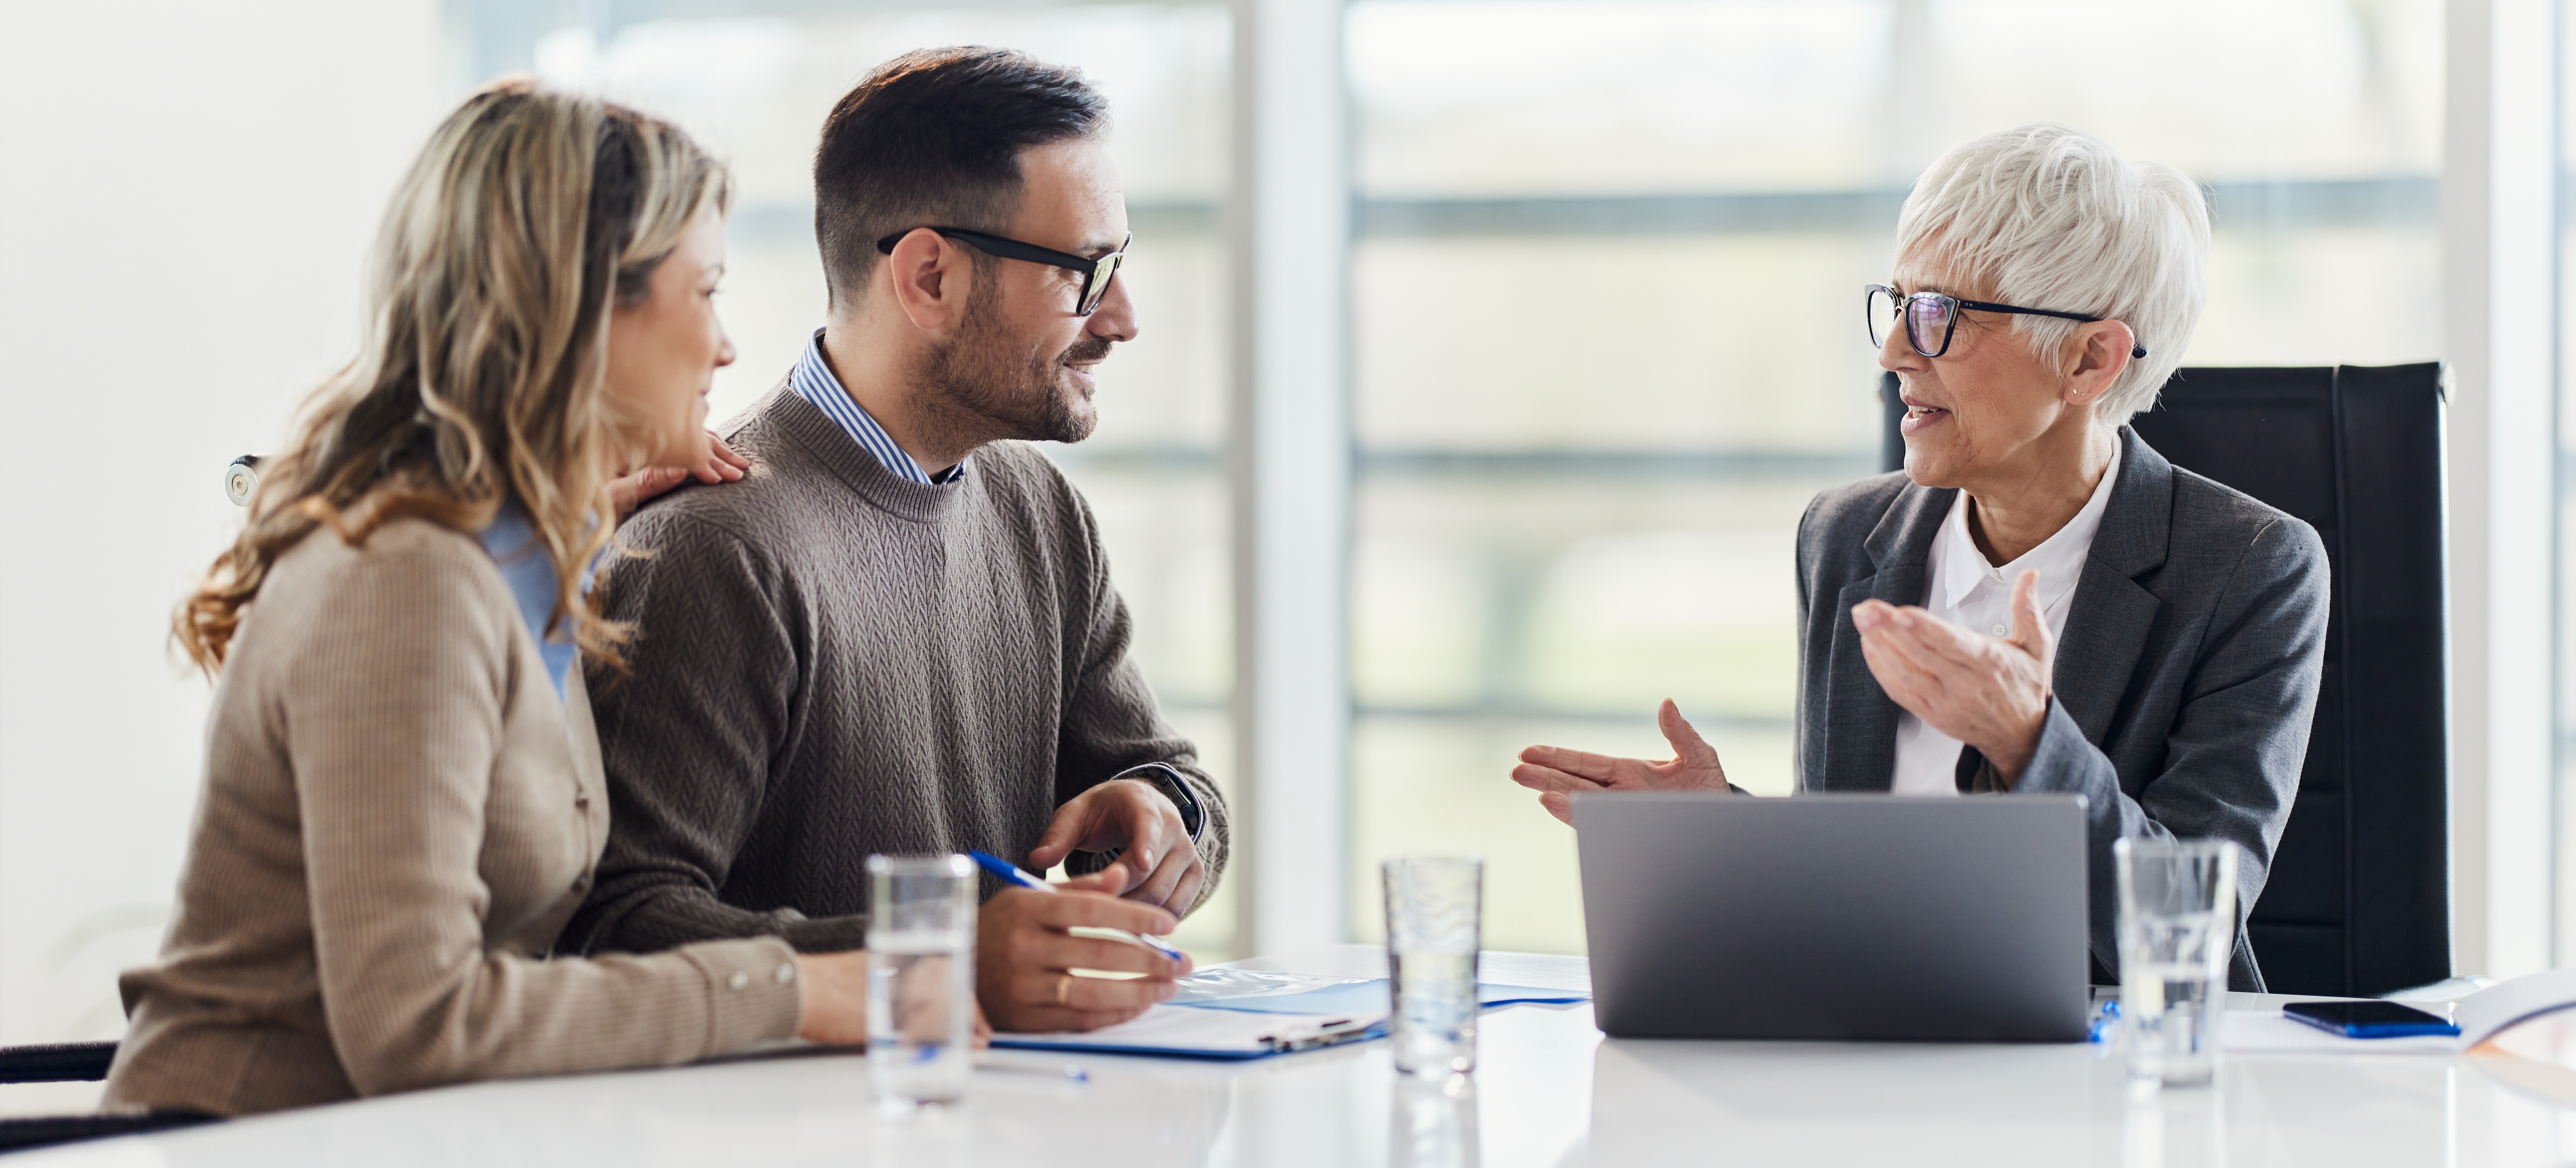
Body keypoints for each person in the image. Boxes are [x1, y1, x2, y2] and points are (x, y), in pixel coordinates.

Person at [103, 81, 882, 1118]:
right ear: (582, 307)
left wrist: (565, 528)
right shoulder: (406, 583)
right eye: (705, 293)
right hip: (244, 1138)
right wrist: (789, 989)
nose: (729, 347)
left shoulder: (499, 562)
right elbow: (419, 1027)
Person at [1507, 123, 2328, 991]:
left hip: (2105, 1088)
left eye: (1940, 315)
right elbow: (1859, 883)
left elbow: (2184, 930)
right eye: (1898, 304)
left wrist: (2030, 741)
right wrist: (1724, 832)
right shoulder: (1843, 538)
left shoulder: (2253, 568)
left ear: (2090, 358)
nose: (1895, 350)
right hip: (1875, 1057)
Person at [564, 47, 1225, 1033]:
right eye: (1087, 273)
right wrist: (935, 958)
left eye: (1118, 266)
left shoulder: (1044, 514)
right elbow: (617, 928)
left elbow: (1184, 784)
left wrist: (1166, 812)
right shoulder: (715, 546)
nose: (1121, 318)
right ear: (929, 278)